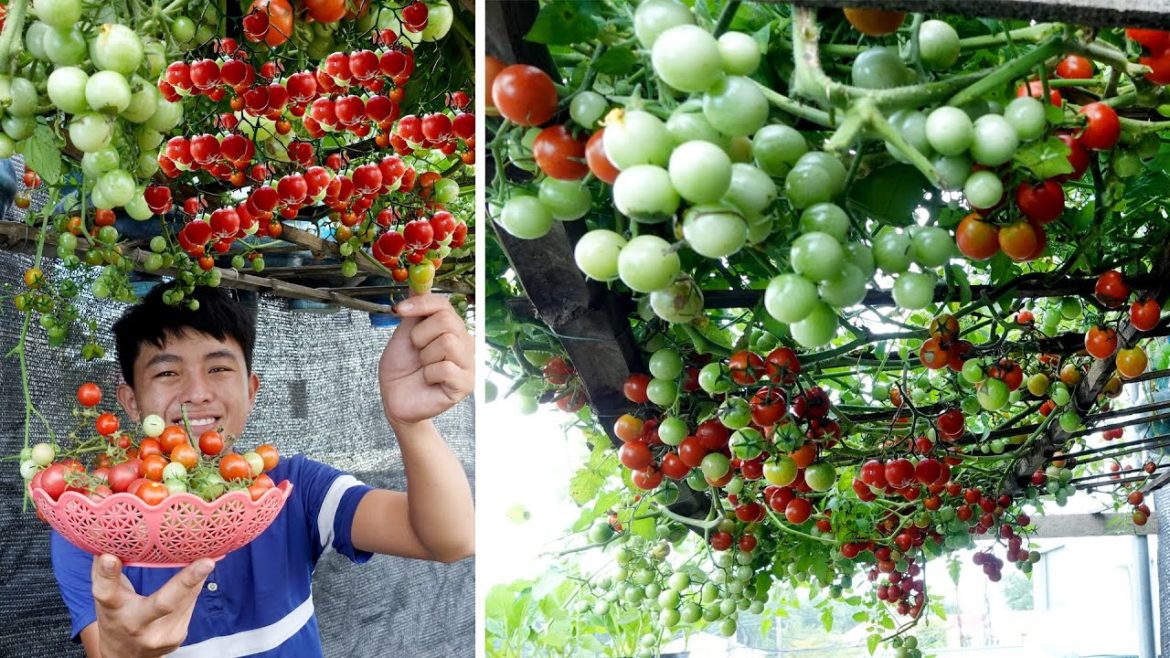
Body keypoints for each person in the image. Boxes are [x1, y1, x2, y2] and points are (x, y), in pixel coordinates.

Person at [49, 283, 475, 658]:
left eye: (218, 368)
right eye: (167, 372)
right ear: (131, 401)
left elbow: (448, 540)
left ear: (251, 391)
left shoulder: (291, 488)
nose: (197, 393)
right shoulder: (93, 519)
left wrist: (411, 423)